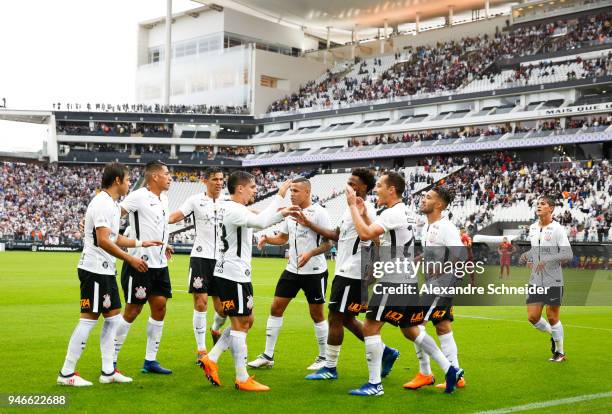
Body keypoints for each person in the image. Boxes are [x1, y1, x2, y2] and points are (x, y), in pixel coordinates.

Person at [346, 172, 463, 396]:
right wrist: (364, 214)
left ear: (392, 190)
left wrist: (353, 207)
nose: (376, 189)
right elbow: (382, 238)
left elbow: (365, 234)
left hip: (395, 281)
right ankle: (449, 369)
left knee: (371, 327)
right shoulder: (405, 213)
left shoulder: (394, 213)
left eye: (379, 185)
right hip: (407, 281)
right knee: (412, 330)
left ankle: (374, 384)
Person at [57, 163, 162, 386]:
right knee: (88, 320)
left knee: (113, 319)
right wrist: (131, 258)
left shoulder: (113, 205)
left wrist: (142, 243)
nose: (129, 184)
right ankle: (66, 373)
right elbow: (103, 240)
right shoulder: (102, 203)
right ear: (117, 181)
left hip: (105, 270)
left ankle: (108, 372)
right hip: (94, 269)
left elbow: (115, 238)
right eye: (127, 180)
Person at [199, 173, 297, 391]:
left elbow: (260, 219)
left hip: (232, 274)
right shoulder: (234, 210)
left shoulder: (230, 208)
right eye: (252, 187)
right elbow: (261, 221)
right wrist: (280, 196)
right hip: (233, 275)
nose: (255, 190)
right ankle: (241, 378)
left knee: (247, 320)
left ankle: (212, 358)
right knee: (241, 324)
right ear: (240, 188)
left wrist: (282, 213)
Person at [299, 169, 399, 382]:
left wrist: (372, 269)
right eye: (348, 182)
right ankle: (386, 352)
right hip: (344, 271)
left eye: (353, 183)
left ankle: (330, 367)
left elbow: (376, 240)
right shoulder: (349, 210)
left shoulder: (367, 209)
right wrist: (309, 224)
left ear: (363, 188)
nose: (349, 186)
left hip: (352, 273)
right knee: (346, 319)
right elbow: (336, 235)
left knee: (335, 316)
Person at [248, 178, 333, 371]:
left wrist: (310, 253)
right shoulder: (289, 213)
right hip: (291, 270)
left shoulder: (320, 212)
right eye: (291, 190)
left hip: (314, 271)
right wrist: (267, 238)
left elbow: (329, 242)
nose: (292, 194)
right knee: (276, 308)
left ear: (307, 193)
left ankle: (324, 357)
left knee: (317, 314)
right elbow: (283, 238)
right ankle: (268, 355)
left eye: (295, 191)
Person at [113, 161, 174, 374]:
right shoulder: (138, 196)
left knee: (159, 307)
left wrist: (166, 244)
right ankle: (110, 359)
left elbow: (159, 227)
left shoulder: (164, 199)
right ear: (155, 177)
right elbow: (116, 213)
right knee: (133, 310)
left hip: (160, 264)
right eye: (166, 173)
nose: (170, 177)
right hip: (139, 263)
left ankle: (150, 360)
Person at [404, 187, 466, 391]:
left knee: (413, 323)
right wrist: (417, 259)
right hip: (434, 283)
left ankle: (425, 373)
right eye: (423, 196)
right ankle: (457, 374)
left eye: (428, 197)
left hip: (442, 285)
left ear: (439, 205)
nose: (423, 200)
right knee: (442, 326)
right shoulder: (427, 227)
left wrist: (440, 269)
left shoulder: (446, 227)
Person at [168, 167, 228, 364]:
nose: (219, 183)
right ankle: (202, 350)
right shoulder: (194, 200)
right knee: (200, 302)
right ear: (205, 181)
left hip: (222, 260)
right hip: (200, 258)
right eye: (215, 179)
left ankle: (215, 328)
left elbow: (248, 212)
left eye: (221, 179)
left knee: (222, 309)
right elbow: (175, 217)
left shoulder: (227, 201)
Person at [520, 195, 572, 362]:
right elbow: (536, 251)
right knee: (532, 317)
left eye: (543, 204)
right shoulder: (533, 228)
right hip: (535, 278)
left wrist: (547, 260)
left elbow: (567, 254)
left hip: (553, 279)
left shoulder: (557, 229)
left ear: (551, 208)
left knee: (552, 316)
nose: (539, 206)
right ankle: (553, 335)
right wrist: (528, 256)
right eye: (537, 204)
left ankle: (560, 352)